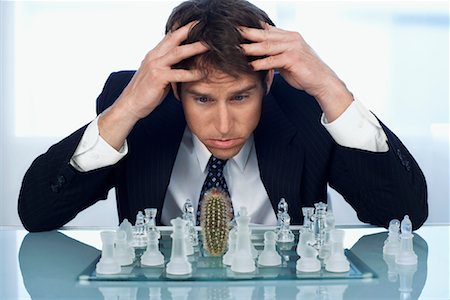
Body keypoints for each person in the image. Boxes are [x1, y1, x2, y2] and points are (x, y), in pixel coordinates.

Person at [18, 0, 427, 232]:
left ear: (268, 82)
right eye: (202, 100)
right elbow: (37, 215)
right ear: (174, 90)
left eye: (240, 97)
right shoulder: (138, 105)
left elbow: (403, 215)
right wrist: (126, 109)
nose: (224, 126)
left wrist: (331, 89)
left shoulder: (303, 104)